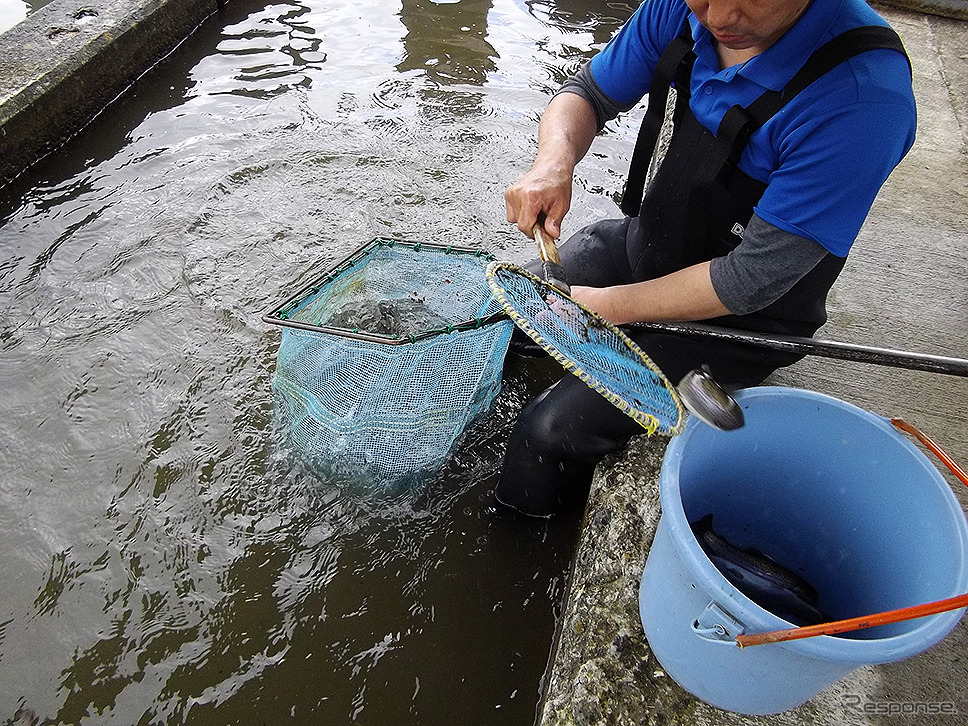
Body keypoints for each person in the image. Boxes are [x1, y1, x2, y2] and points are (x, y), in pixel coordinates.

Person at [495, 0, 916, 516]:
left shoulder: (862, 98)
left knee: (548, 434)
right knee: (499, 315)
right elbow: (588, 93)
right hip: (646, 247)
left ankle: (518, 533)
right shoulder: (679, 8)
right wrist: (552, 164)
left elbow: (748, 279)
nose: (717, 17)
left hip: (743, 319)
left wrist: (608, 307)